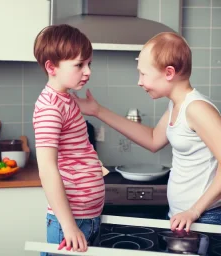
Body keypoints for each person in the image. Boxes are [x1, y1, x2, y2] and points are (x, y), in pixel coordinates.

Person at [73, 32, 221, 232]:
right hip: (183, 216)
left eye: (143, 74)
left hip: (204, 218)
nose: (139, 81)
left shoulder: (197, 109)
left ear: (169, 72)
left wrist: (194, 211)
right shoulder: (177, 105)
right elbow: (152, 140)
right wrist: (97, 111)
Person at [33, 24, 105, 255]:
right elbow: (47, 169)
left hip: (87, 218)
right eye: (79, 65)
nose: (88, 71)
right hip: (71, 224)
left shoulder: (66, 99)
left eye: (89, 64)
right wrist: (69, 226)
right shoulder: (50, 108)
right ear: (51, 67)